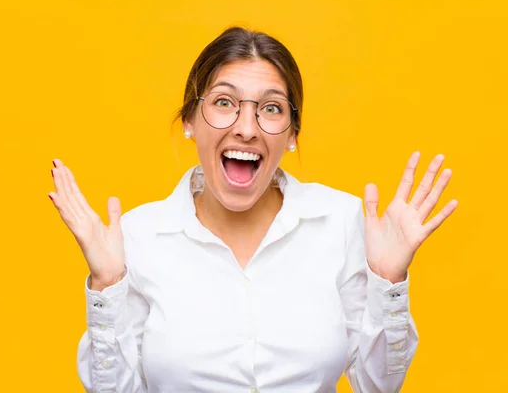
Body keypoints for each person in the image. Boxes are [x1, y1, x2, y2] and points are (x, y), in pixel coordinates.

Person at [48, 26, 457, 393]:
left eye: (272, 108)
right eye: (224, 102)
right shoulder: (137, 237)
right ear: (190, 119)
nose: (246, 127)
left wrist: (388, 279)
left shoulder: (342, 222)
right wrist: (106, 283)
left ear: (292, 133)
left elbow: (377, 385)